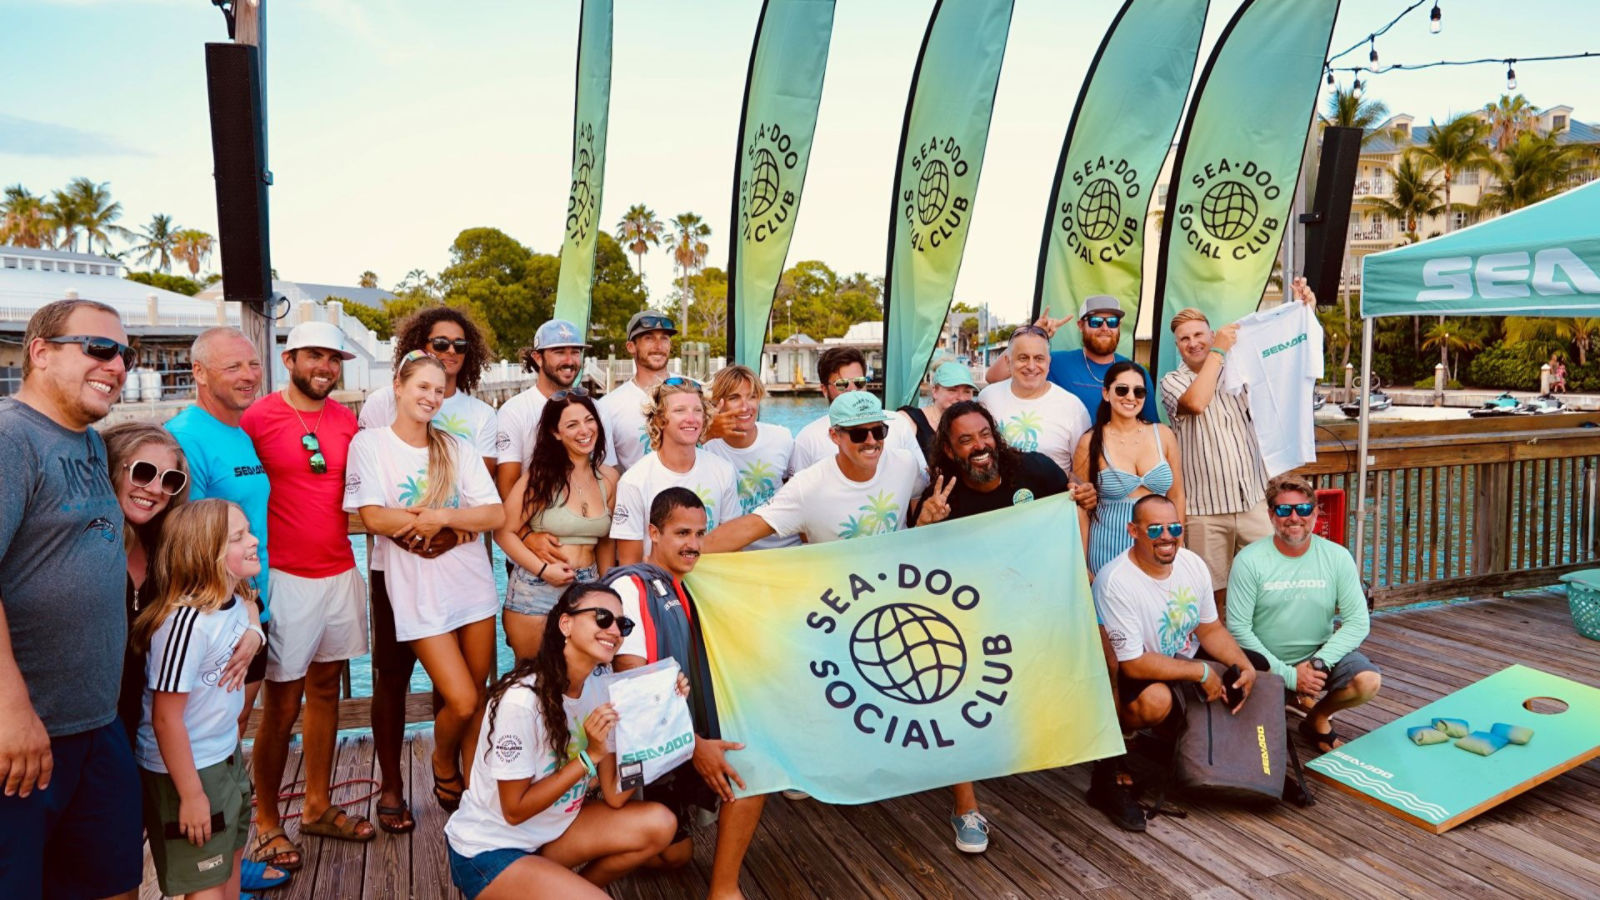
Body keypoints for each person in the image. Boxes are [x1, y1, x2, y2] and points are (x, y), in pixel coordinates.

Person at [0, 298, 142, 900]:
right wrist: (11, 712)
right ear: (40, 353)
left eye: (125, 355)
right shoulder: (12, 439)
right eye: (98, 348)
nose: (116, 365)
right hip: (26, 736)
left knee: (114, 882)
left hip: (96, 722)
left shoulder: (84, 439)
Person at [358, 306, 498, 835]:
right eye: (439, 344)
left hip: (461, 565)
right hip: (397, 568)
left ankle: (459, 776)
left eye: (459, 346)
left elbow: (487, 501)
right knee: (391, 678)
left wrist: (445, 524)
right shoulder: (376, 410)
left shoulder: (474, 422)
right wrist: (426, 526)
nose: (449, 354)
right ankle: (392, 787)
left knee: (462, 692)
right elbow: (371, 504)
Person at [443, 583, 677, 898]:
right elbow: (514, 810)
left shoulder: (599, 685)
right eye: (602, 618)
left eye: (622, 624)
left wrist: (659, 714)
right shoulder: (522, 702)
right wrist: (587, 758)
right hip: (490, 850)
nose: (614, 630)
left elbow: (615, 795)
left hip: (547, 835)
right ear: (565, 623)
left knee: (660, 824)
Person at [243, 320, 373, 869]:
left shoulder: (347, 420)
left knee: (325, 690)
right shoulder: (258, 418)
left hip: (341, 570)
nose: (325, 367)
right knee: (281, 704)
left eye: (334, 359)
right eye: (314, 356)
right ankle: (267, 820)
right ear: (290, 358)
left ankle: (317, 805)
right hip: (286, 577)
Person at [1090, 494, 1256, 832]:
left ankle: (1229, 759)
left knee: (1254, 666)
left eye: (1174, 527)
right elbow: (1132, 664)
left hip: (1180, 658)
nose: (1167, 536)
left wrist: (1243, 664)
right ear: (1132, 530)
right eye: (1155, 529)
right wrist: (1201, 672)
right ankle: (1122, 743)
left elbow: (1209, 627)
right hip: (1131, 675)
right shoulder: (1115, 580)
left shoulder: (1192, 563)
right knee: (1157, 701)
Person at [131, 499, 264, 900]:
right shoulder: (184, 625)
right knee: (205, 884)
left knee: (230, 865)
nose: (254, 540)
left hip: (225, 758)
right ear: (207, 555)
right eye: (238, 537)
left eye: (248, 530)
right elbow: (166, 720)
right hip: (187, 771)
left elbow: (249, 603)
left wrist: (255, 631)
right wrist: (190, 795)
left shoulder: (237, 600)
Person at [166, 327, 272, 743]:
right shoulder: (186, 436)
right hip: (215, 613)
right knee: (210, 730)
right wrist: (245, 612)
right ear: (200, 373)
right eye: (233, 366)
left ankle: (233, 806)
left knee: (237, 722)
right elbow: (191, 542)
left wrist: (255, 614)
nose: (248, 375)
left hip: (251, 606)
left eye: (253, 364)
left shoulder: (239, 433)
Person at [1226, 474, 1381, 755]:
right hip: (1263, 662)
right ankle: (1291, 697)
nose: (1294, 517)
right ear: (1272, 515)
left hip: (1319, 658)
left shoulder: (1337, 557)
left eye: (1304, 509)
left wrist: (1318, 664)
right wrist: (1289, 675)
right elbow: (1238, 629)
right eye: (1285, 510)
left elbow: (1358, 622)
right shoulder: (1249, 560)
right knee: (1253, 747)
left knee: (1367, 681)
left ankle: (1317, 717)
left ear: (1315, 512)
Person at [704, 391, 929, 551]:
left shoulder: (905, 463)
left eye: (879, 431)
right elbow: (748, 527)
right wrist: (679, 556)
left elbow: (920, 497)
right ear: (834, 436)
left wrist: (928, 517)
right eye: (858, 434)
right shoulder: (808, 486)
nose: (871, 441)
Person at [1159, 307, 1271, 609]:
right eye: (1184, 339)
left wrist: (1305, 309)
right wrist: (1219, 350)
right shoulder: (1171, 381)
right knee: (1212, 595)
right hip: (1205, 511)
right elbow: (1195, 403)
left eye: (1199, 335)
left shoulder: (1239, 370)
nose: (1193, 343)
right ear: (1177, 346)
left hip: (1254, 500)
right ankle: (1223, 655)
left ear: (1210, 334)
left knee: (1271, 580)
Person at [496, 390, 618, 661]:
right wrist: (543, 569)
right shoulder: (541, 477)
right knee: (532, 681)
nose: (584, 430)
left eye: (589, 420)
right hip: (537, 588)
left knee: (582, 679)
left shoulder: (609, 479)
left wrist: (605, 589)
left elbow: (607, 540)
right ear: (555, 432)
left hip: (588, 586)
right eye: (572, 425)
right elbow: (503, 531)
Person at [104, 423, 193, 748]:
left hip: (148, 727)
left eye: (170, 480)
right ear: (114, 469)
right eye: (143, 473)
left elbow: (230, 587)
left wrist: (253, 628)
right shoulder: (85, 547)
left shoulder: (167, 547)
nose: (155, 489)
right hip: (91, 724)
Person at [610, 378, 739, 564]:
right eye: (680, 410)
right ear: (660, 420)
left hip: (710, 586)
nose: (692, 418)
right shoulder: (634, 481)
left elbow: (731, 545)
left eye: (697, 411)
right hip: (657, 587)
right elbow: (629, 563)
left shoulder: (723, 471)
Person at [1075, 361, 1184, 576]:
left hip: (1159, 548)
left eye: (1139, 391)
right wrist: (1082, 565)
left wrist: (1178, 543)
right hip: (1106, 551)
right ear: (1106, 393)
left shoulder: (1163, 435)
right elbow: (1081, 510)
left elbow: (1177, 495)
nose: (1131, 397)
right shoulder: (1089, 442)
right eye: (1122, 389)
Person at [984, 295, 1159, 422]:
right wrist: (1034, 332)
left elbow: (1150, 427)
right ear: (1081, 325)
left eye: (1112, 322)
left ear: (1119, 326)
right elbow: (994, 377)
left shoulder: (1136, 373)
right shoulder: (1055, 362)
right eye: (1096, 321)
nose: (1105, 327)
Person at [701, 364, 799, 550]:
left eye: (752, 397)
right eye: (734, 398)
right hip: (732, 552)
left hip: (785, 547)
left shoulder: (781, 438)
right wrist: (705, 435)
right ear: (716, 403)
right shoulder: (704, 447)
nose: (745, 407)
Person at [495, 318, 593, 498]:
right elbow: (507, 488)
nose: (570, 360)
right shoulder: (514, 411)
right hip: (533, 517)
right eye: (559, 352)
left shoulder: (595, 409)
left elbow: (604, 471)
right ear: (538, 358)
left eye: (575, 352)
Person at [978, 325, 1093, 476]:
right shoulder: (987, 398)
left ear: (1049, 362)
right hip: (997, 498)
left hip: (1052, 498)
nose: (1031, 366)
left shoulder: (1073, 407)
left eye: (1039, 358)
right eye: (1023, 358)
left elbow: (1081, 473)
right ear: (1007, 361)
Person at [790, 346, 922, 472]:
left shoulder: (898, 424)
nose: (853, 390)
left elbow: (920, 480)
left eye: (859, 382)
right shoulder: (809, 438)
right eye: (842, 384)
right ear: (824, 390)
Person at [596, 310, 679, 472]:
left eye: (664, 338)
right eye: (649, 338)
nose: (658, 345)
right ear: (631, 346)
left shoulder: (695, 391)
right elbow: (606, 470)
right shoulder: (607, 407)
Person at [896, 361, 977, 459]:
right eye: (952, 390)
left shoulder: (974, 426)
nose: (961, 398)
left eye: (967, 391)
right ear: (934, 391)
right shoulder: (909, 420)